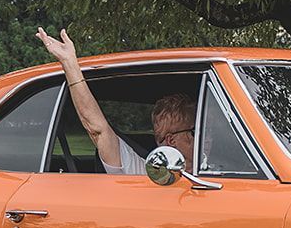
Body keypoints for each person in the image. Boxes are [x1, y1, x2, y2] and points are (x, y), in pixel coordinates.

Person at [35, 28, 195, 175]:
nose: (209, 138)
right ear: (171, 140)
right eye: (196, 131)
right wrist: (69, 63)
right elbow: (98, 130)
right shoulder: (143, 173)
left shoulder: (213, 167)